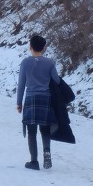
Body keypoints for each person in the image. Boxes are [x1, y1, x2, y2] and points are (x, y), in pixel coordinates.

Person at [16, 34, 61, 170]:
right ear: (44, 48)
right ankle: (46, 152)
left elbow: (21, 84)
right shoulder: (50, 63)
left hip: (30, 98)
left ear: (30, 47)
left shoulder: (25, 62)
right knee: (45, 129)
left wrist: (19, 103)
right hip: (46, 98)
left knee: (31, 131)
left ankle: (34, 161)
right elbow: (57, 81)